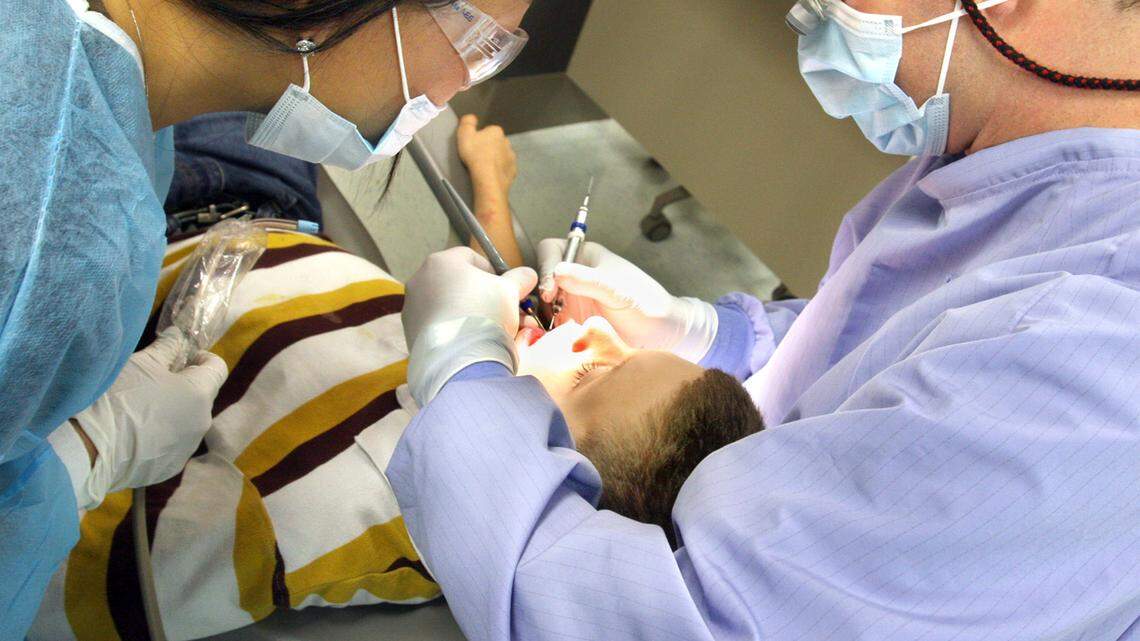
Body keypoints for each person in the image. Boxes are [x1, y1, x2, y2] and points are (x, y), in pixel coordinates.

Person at [388, 1, 1140, 640]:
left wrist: (464, 374)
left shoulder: (1098, 354)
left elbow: (641, 618)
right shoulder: (1007, 164)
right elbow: (888, 352)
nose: (804, 13)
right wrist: (714, 336)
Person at [29, 125, 760, 641]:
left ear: (549, 478)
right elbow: (495, 306)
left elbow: (56, 586)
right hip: (276, 203)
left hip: (120, 236)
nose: (594, 331)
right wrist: (491, 186)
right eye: (632, 342)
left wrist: (92, 446)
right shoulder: (498, 397)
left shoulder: (320, 518)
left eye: (599, 367)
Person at [1, 0, 531, 637]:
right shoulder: (51, 252)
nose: (469, 80)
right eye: (481, 42)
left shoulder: (396, 511)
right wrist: (90, 452)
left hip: (196, 197)